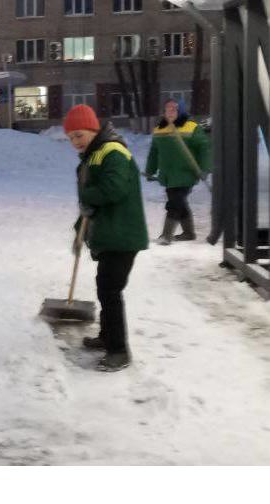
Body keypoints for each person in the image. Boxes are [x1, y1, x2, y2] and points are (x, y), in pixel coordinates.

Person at [64, 105, 149, 372]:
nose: (75, 142)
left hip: (123, 235)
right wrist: (81, 230)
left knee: (110, 291)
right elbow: (92, 205)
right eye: (71, 138)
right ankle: (107, 337)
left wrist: (88, 197)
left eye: (79, 135)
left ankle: (119, 351)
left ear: (92, 129)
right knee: (105, 287)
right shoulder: (94, 154)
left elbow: (114, 189)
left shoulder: (112, 152)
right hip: (111, 234)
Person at [145, 99, 211, 245]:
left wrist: (205, 168)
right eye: (167, 109)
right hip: (169, 175)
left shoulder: (192, 127)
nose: (169, 112)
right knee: (179, 201)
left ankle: (166, 235)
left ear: (180, 111)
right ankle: (189, 233)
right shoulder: (159, 129)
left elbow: (204, 148)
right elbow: (154, 152)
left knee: (174, 202)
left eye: (173, 109)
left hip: (186, 173)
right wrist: (150, 170)